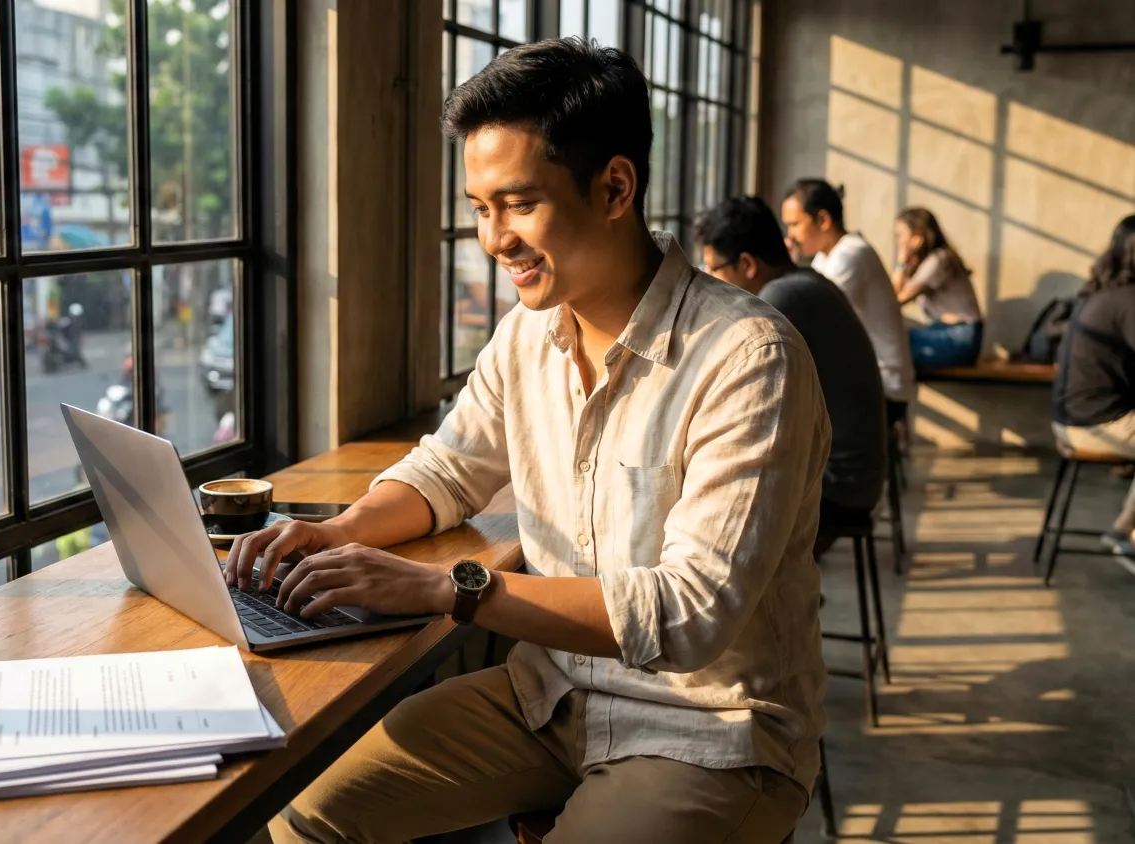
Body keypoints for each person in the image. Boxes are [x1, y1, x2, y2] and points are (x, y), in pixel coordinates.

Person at [227, 38, 829, 843]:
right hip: (550, 697)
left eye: (517, 203)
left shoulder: (750, 357)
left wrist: (450, 589)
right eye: (479, 208)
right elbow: (449, 468)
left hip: (712, 734)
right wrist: (334, 535)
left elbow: (691, 613)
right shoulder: (525, 336)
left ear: (615, 187)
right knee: (303, 810)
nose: (492, 238)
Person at [697, 196, 886, 556]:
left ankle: (784, 604)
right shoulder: (805, 282)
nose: (709, 282)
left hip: (840, 486)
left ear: (748, 264)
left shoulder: (782, 299)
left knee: (714, 523)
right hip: (856, 475)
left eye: (713, 270)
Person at [781, 179, 914, 437]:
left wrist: (785, 269)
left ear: (823, 219)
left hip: (883, 387)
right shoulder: (827, 256)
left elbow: (812, 318)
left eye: (795, 224)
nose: (790, 236)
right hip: (869, 379)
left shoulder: (851, 256)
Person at [1052, 215, 1135, 557]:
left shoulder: (1102, 294)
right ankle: (1125, 533)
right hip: (1093, 425)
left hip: (1072, 418)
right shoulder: (1129, 300)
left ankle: (1124, 529)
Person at [891, 208, 983, 368]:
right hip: (949, 333)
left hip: (959, 337)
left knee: (891, 342)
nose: (898, 242)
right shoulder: (929, 261)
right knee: (891, 342)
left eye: (900, 235)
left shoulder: (939, 260)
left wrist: (901, 261)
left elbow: (894, 300)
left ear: (917, 237)